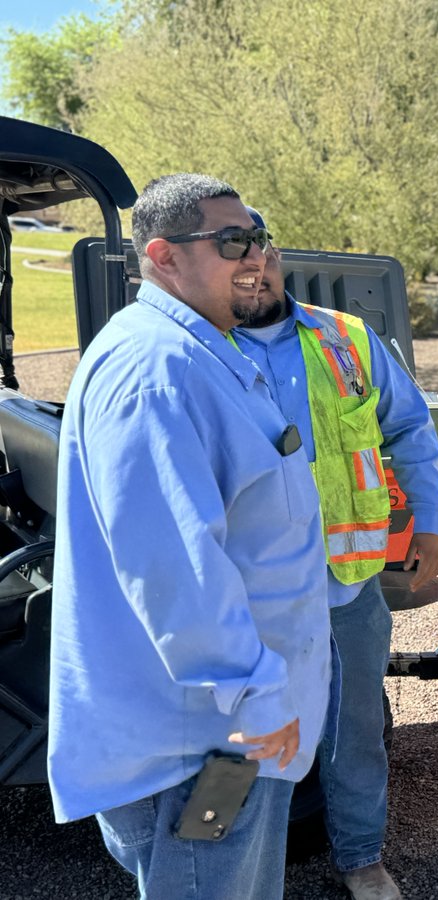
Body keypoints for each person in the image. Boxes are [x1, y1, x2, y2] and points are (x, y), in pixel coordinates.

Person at [48, 174, 332, 900]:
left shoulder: (202, 346)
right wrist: (259, 696)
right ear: (164, 256)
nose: (255, 256)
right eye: (232, 240)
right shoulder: (157, 369)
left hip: (225, 727)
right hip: (211, 741)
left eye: (258, 237)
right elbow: (174, 568)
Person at [233, 208, 438, 900]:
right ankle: (238, 867)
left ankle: (360, 857)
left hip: (347, 587)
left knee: (354, 731)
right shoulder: (200, 348)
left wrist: (434, 525)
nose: (254, 270)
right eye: (236, 258)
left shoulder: (345, 338)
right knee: (246, 737)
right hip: (250, 596)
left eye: (261, 252)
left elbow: (411, 428)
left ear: (276, 255)